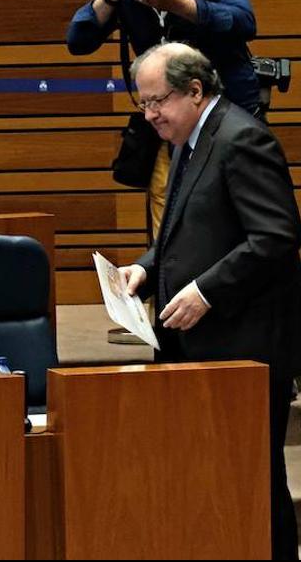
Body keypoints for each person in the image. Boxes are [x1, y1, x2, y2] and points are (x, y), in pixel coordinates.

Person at [119, 42, 301, 561]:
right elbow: (186, 227)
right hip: (201, 347)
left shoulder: (242, 139)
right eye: (143, 103)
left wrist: (205, 291)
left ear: (195, 91)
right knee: (214, 480)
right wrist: (146, 268)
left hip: (243, 347)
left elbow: (276, 237)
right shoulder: (187, 139)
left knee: (253, 482)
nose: (150, 114)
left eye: (159, 101)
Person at [67, 0, 261, 236]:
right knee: (172, 227)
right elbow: (78, 40)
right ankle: (172, 288)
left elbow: (244, 21)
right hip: (168, 130)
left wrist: (178, 4)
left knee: (240, 213)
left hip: (229, 117)